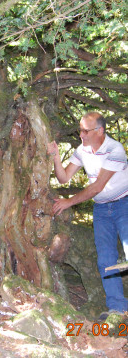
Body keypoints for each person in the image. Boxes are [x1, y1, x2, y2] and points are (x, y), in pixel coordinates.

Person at [47, 111, 128, 320]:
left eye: (85, 130)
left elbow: (97, 186)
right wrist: (56, 156)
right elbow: (64, 177)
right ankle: (118, 309)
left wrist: (69, 202)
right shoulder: (82, 150)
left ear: (100, 131)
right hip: (101, 210)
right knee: (106, 259)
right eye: (79, 130)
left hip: (124, 205)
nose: (81, 134)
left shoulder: (114, 149)